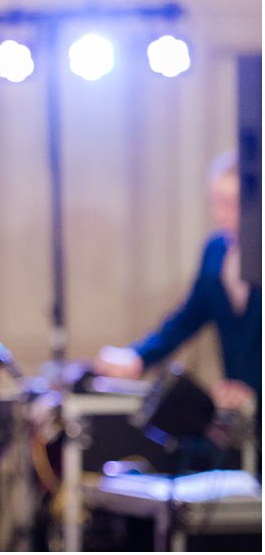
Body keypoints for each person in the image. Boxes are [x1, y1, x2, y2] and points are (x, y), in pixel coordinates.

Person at [94, 152, 261, 444]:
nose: (222, 215)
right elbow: (186, 318)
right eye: (217, 203)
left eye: (231, 205)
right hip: (238, 418)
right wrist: (138, 357)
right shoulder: (215, 252)